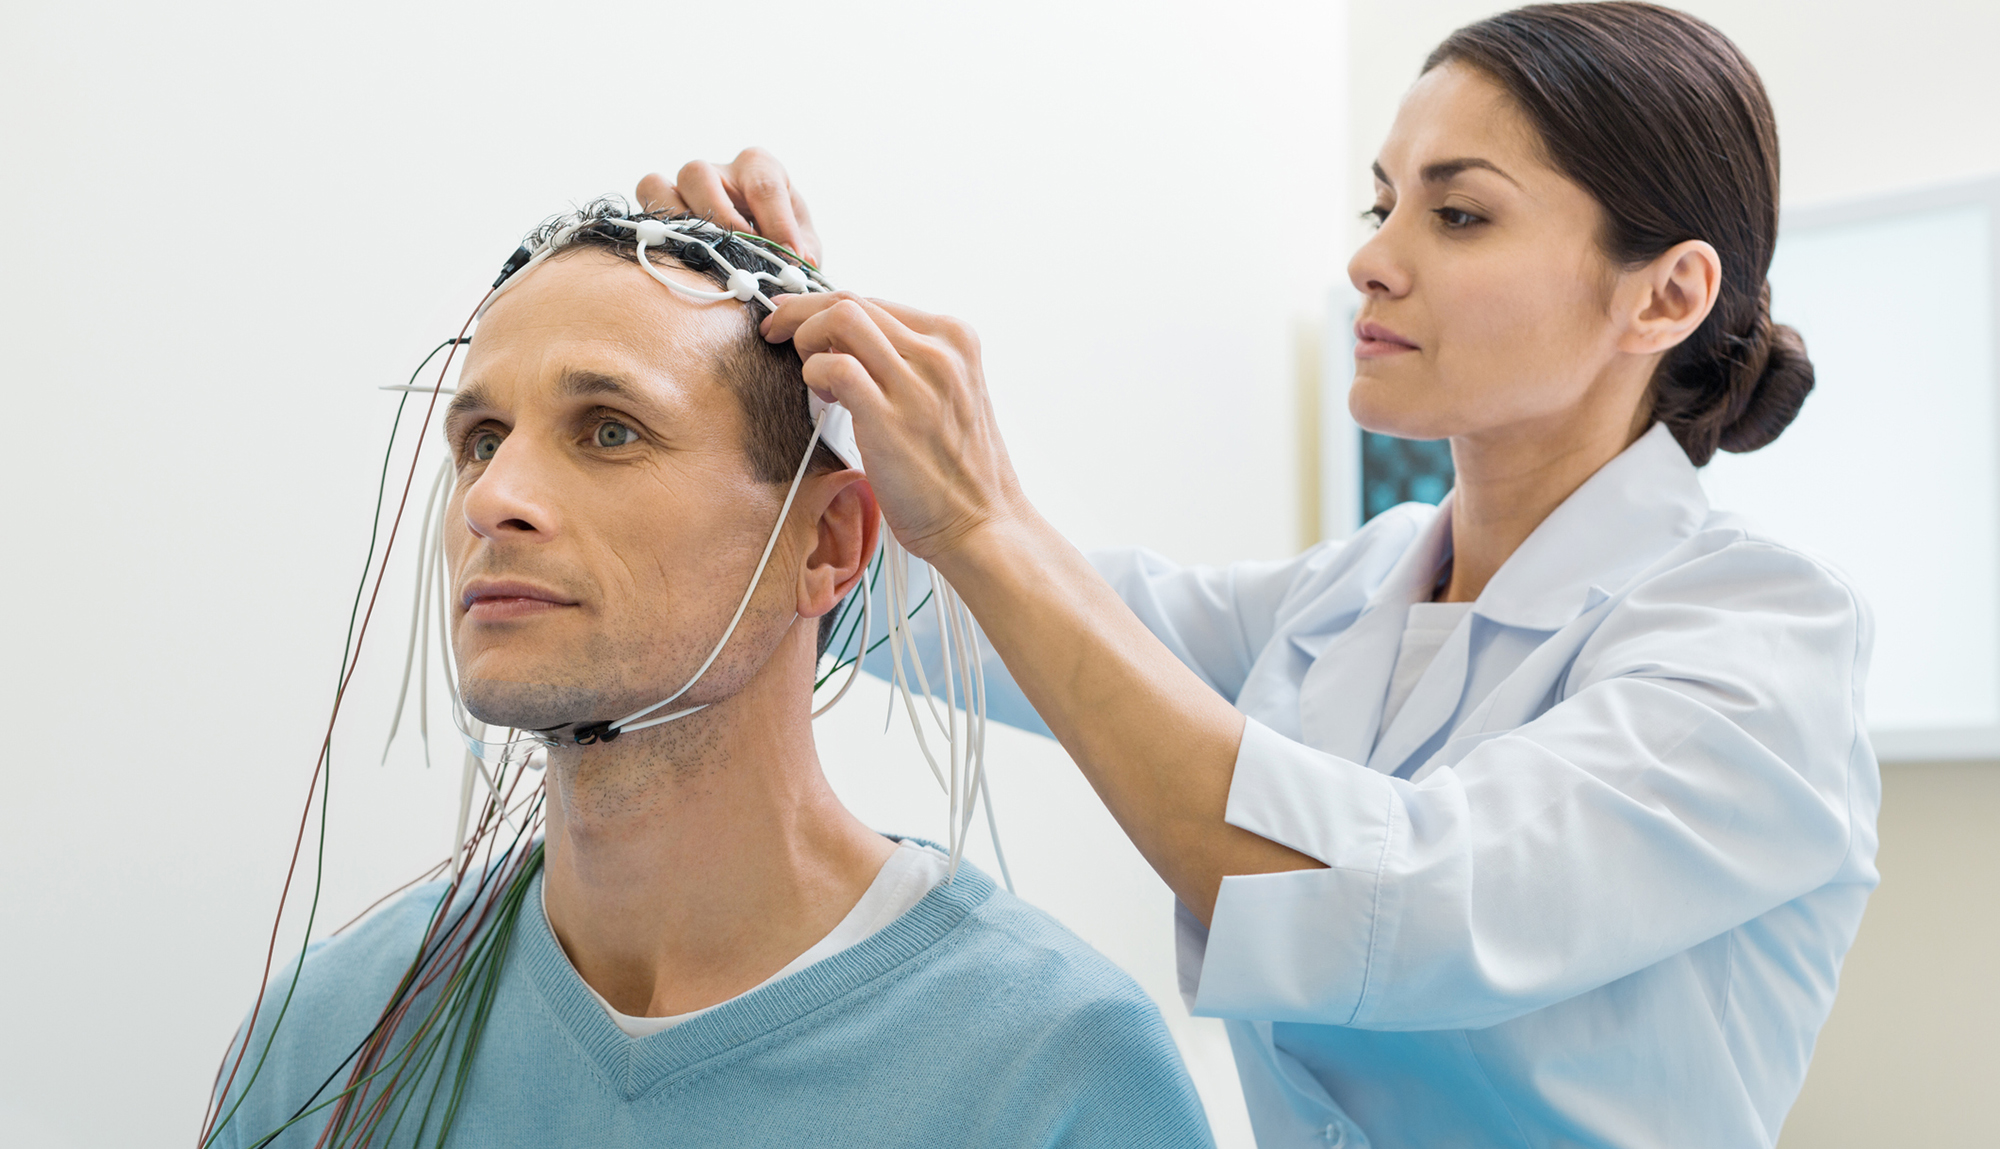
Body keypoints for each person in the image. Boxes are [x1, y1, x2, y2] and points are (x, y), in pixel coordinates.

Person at [649, 4, 1880, 1146]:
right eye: (1379, 206)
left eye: (1457, 216)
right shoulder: (1345, 596)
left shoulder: (1761, 638)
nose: (1371, 262)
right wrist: (778, 372)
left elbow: (1393, 903)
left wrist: (983, 512)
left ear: (1665, 293)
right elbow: (947, 613)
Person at [206, 204, 1215, 1149]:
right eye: (480, 440)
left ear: (825, 542)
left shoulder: (1052, 1068)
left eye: (609, 430)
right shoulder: (326, 1036)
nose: (495, 498)